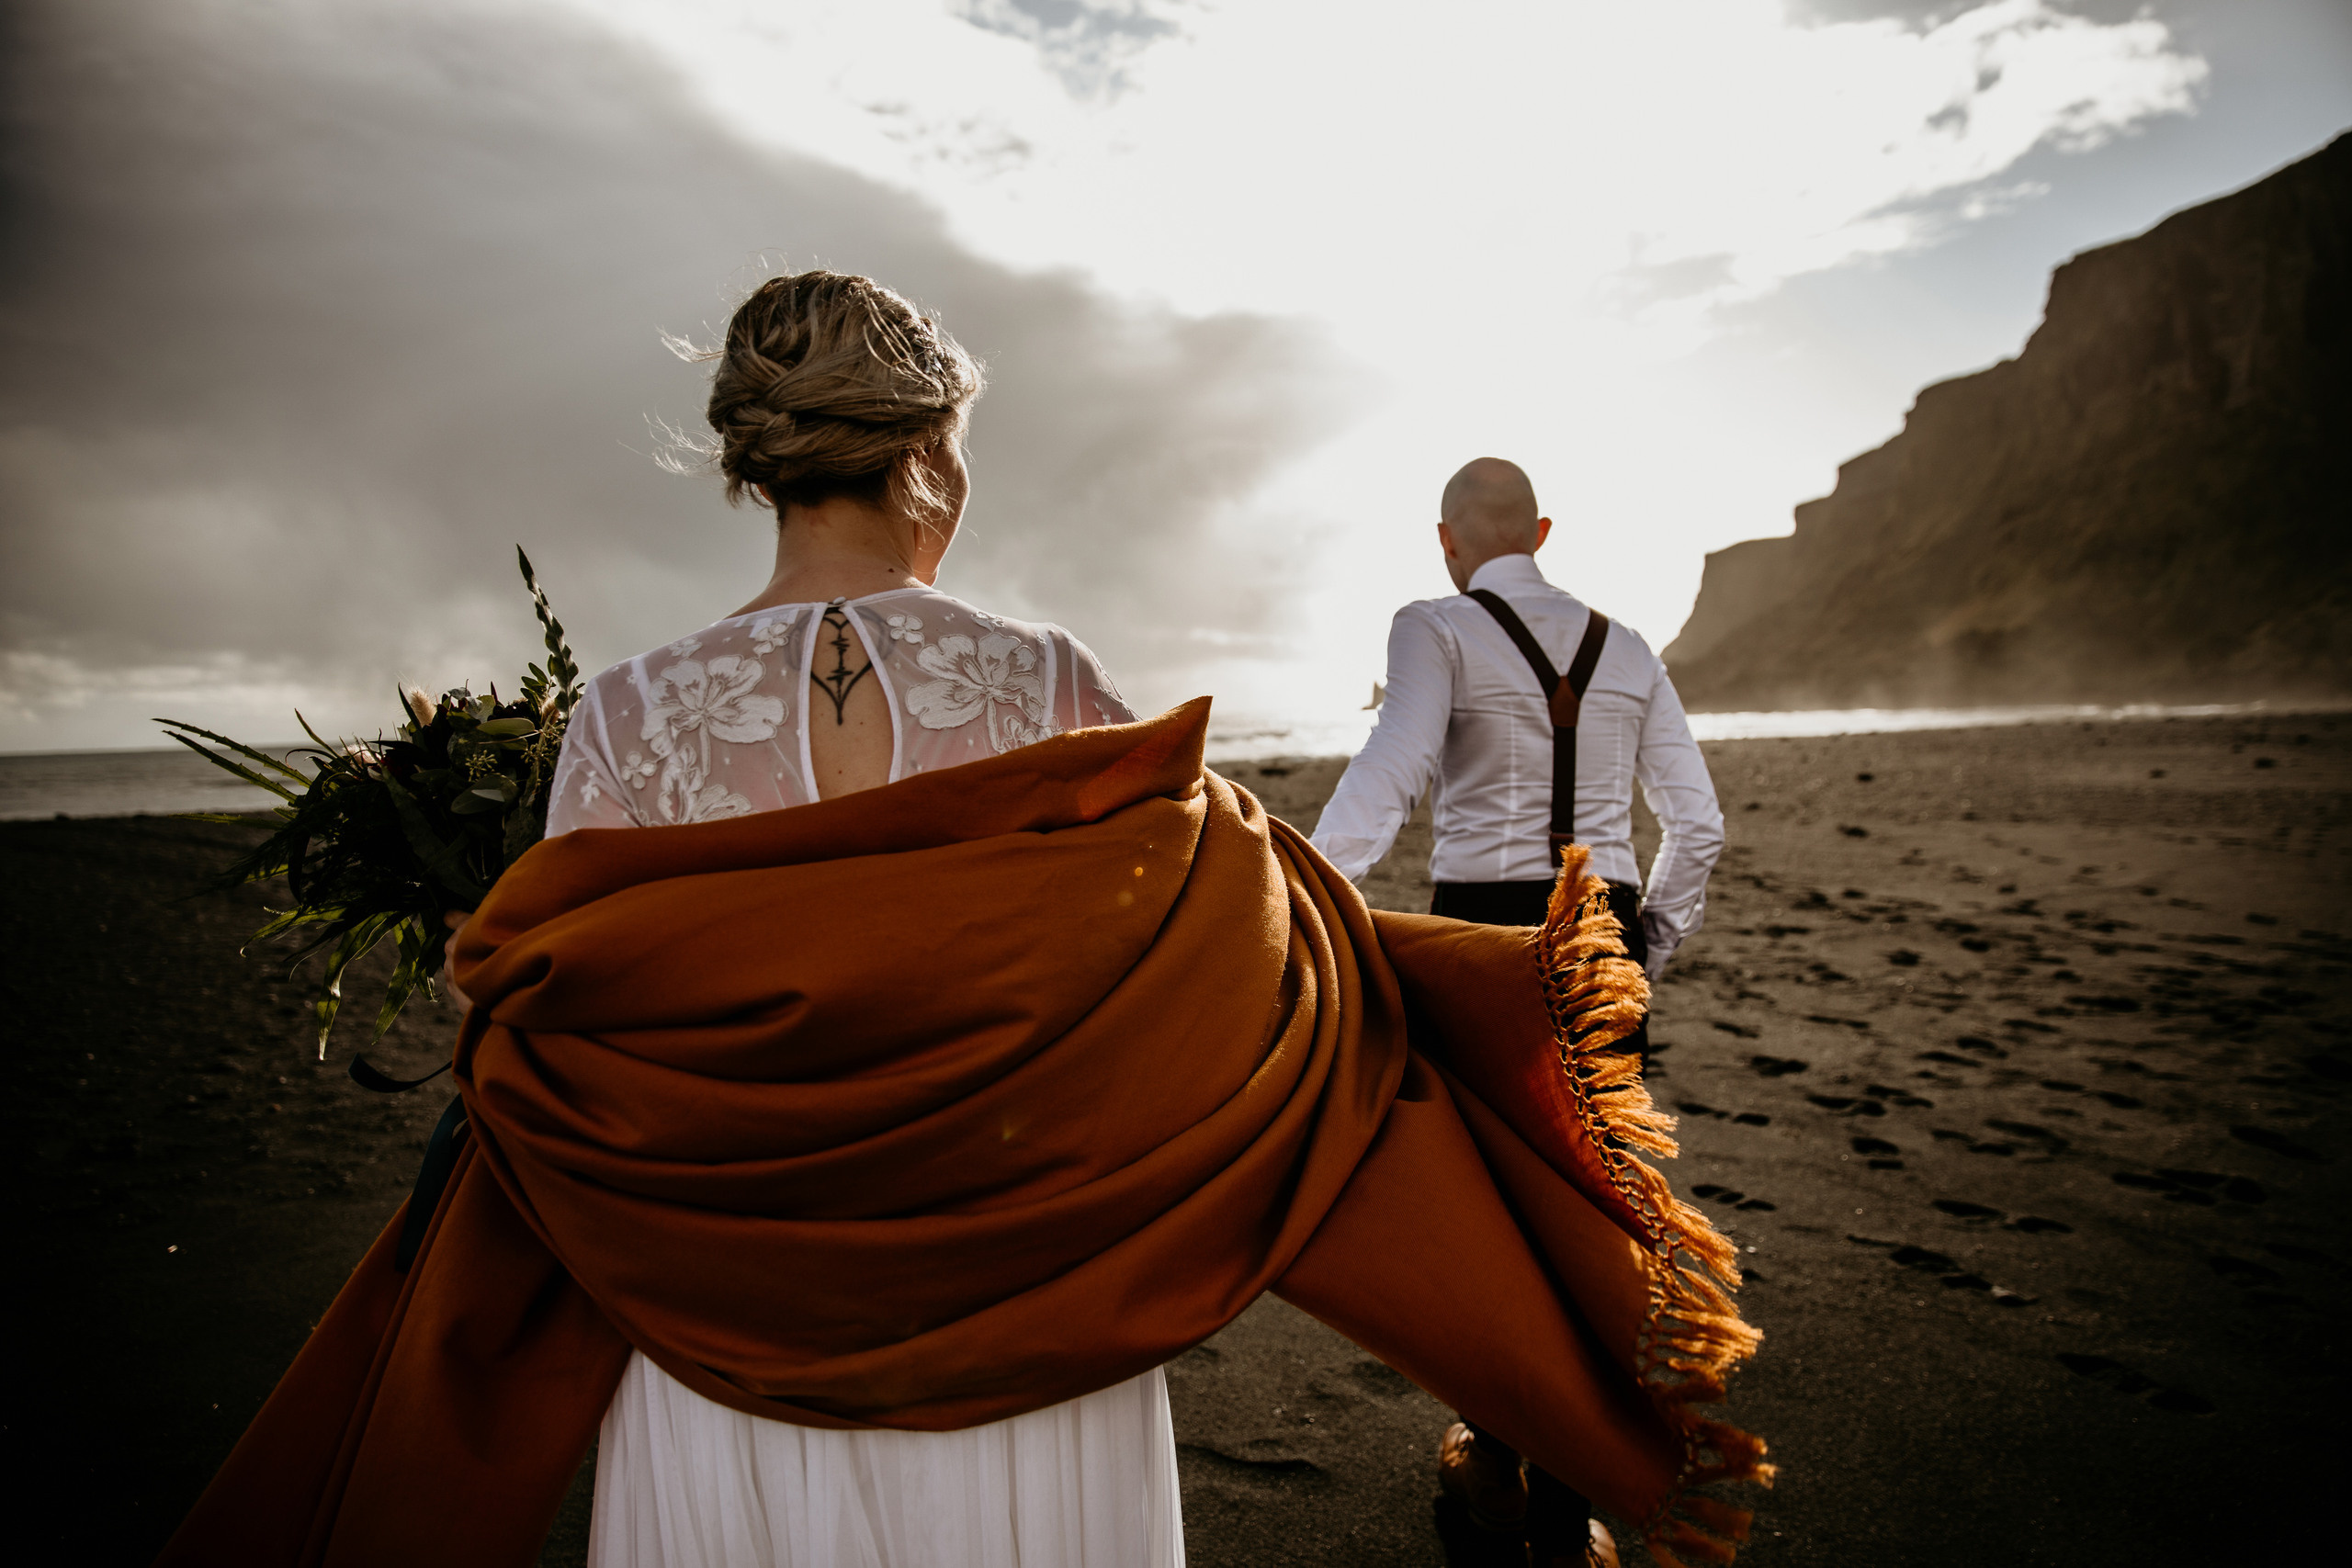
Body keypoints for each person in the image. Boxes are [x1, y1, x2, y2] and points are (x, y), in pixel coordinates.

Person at [158, 280, 1766, 1568]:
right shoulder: (1048, 682)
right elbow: (1218, 958)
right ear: (935, 450)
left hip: (735, 1345)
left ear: (750, 465)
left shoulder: (631, 714)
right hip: (1030, 1332)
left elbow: (557, 1043)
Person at [1311, 457, 1725, 1567]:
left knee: (1494, 1206)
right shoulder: (1628, 645)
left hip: (1486, 938)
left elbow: (1392, 770)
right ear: (1537, 529)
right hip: (1606, 936)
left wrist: (1305, 893)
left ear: (1446, 539)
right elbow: (1698, 822)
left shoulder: (1433, 623)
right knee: (1596, 1198)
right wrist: (1650, 938)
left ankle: (1495, 1460)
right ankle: (1577, 1486)